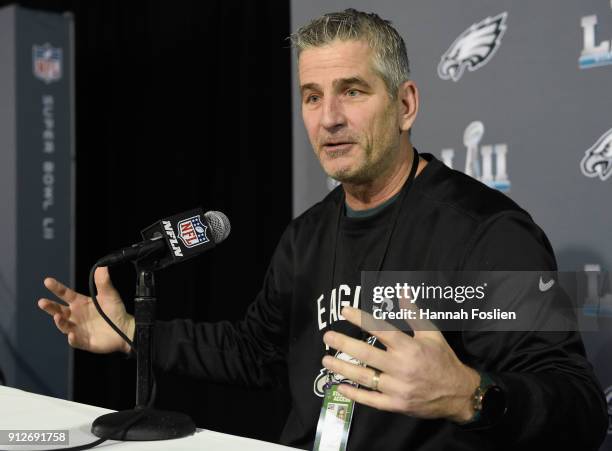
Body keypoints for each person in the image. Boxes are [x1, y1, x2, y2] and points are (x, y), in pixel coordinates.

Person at [38, 9, 607, 450]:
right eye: (312, 96)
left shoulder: (487, 233)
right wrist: (134, 333)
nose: (328, 117)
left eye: (352, 91)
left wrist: (471, 395)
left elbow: (581, 408)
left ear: (406, 103)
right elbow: (254, 352)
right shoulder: (306, 236)